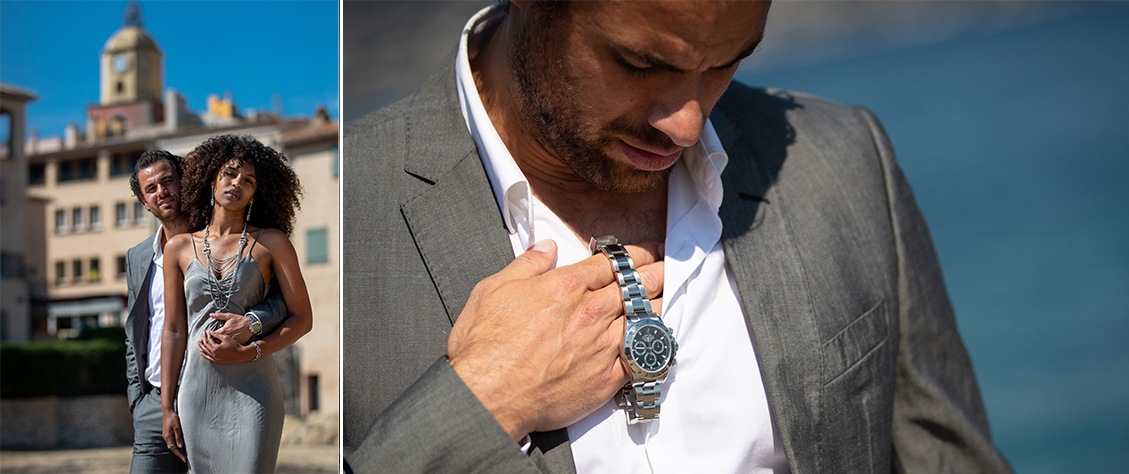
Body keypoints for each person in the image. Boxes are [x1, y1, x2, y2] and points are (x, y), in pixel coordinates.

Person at [344, 1, 1014, 472]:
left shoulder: (844, 160)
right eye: (641, 64)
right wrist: (480, 403)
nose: (687, 125)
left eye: (725, 64)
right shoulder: (346, 215)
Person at [124, 149, 289, 473]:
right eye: (151, 189)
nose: (162, 192)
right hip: (157, 402)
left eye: (168, 181)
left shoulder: (231, 233)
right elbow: (138, 329)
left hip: (223, 390)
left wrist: (252, 322)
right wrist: (138, 397)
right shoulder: (138, 256)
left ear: (187, 181)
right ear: (144, 201)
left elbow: (284, 302)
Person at [159, 135, 312, 472]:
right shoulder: (177, 248)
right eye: (229, 174)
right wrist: (167, 407)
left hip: (255, 393)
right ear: (211, 178)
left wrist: (249, 351)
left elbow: (302, 318)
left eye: (248, 181)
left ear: (256, 193)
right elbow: (173, 330)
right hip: (197, 395)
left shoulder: (272, 242)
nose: (236, 184)